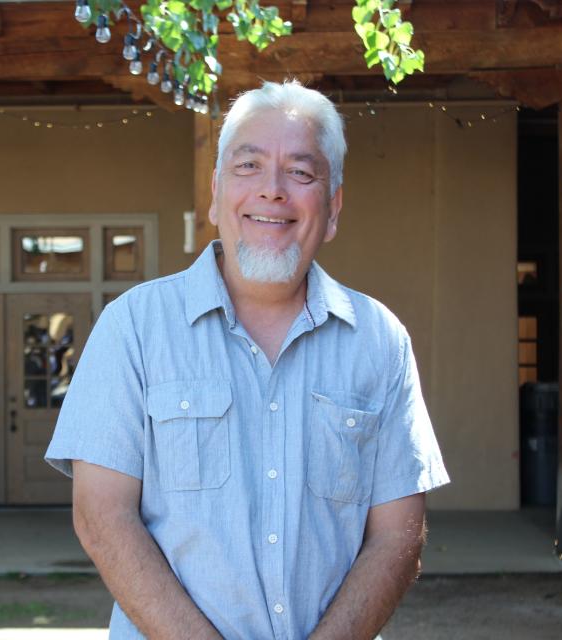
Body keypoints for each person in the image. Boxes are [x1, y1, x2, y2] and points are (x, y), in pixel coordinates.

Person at [45, 79, 450, 640]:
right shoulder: (133, 327)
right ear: (215, 194)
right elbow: (101, 516)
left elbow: (398, 537)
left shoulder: (380, 341)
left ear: (331, 208)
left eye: (301, 173)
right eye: (248, 166)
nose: (272, 191)